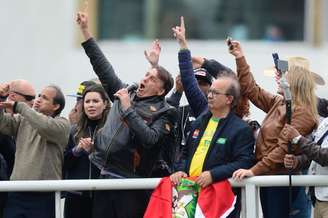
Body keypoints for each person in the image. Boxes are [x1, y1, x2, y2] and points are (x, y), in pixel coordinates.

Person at [76, 10, 176, 218]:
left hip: (132, 183)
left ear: (160, 91)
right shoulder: (125, 92)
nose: (145, 78)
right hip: (104, 175)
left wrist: (128, 109)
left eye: (152, 78)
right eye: (146, 74)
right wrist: (85, 31)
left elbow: (150, 139)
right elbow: (104, 70)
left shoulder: (165, 112)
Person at [170, 16, 255, 217]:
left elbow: (244, 162)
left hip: (217, 192)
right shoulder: (201, 119)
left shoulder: (241, 129)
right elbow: (185, 153)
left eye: (214, 93)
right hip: (187, 190)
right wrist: (180, 169)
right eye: (210, 92)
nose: (208, 95)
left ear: (229, 99)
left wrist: (213, 175)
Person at [230, 40, 318, 218]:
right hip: (269, 176)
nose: (278, 77)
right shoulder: (281, 103)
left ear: (296, 80)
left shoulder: (304, 113)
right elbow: (251, 89)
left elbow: (282, 149)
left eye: (283, 73)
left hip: (280, 178)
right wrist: (240, 58)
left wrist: (254, 170)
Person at [0, 85, 70, 218]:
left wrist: (20, 107)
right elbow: (2, 123)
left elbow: (44, 126)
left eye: (44, 98)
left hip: (44, 195)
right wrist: (2, 98)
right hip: (17, 193)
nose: (38, 100)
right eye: (39, 96)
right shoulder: (23, 120)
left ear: (56, 106)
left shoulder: (62, 125)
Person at [63, 84, 110, 218]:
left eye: (95, 101)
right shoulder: (74, 130)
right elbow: (63, 163)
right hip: (76, 196)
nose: (91, 105)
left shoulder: (112, 130)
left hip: (103, 195)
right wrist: (76, 151)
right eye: (87, 101)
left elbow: (117, 162)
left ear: (105, 103)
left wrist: (93, 152)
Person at [0, 80, 36, 218]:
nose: (33, 102)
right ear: (13, 97)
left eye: (35, 97)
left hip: (17, 197)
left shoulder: (30, 123)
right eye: (29, 98)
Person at [283, 122, 328, 218]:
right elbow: (314, 154)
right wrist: (297, 161)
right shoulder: (324, 123)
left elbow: (325, 157)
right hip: (318, 199)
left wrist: (298, 139)